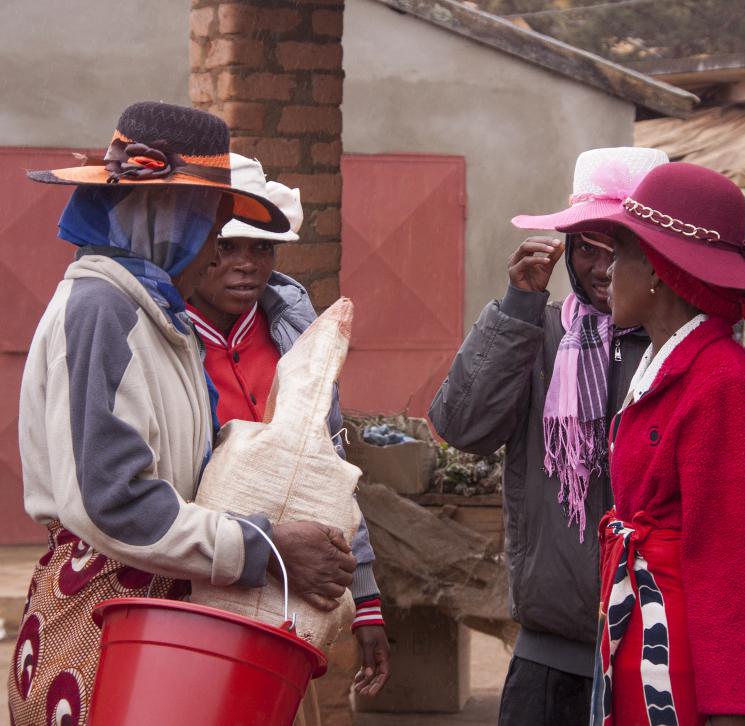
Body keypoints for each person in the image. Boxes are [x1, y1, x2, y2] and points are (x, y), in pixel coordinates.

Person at [8, 102, 356, 725]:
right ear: (168, 219)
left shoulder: (153, 312)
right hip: (108, 613)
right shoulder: (103, 310)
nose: (218, 258)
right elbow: (112, 503)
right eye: (211, 229)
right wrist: (263, 546)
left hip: (160, 612)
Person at [429, 147, 667, 726]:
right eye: (587, 248)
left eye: (623, 249)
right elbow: (464, 427)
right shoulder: (540, 335)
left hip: (654, 649)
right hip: (550, 647)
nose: (603, 269)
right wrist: (517, 307)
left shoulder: (679, 349)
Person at [554, 162, 745, 725]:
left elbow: (731, 560)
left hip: (684, 661)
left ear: (659, 270)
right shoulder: (668, 364)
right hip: (644, 636)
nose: (607, 271)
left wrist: (730, 711)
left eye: (622, 254)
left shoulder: (722, 385)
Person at [186, 153, 390, 701]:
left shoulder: (293, 334)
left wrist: (364, 600)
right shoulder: (166, 341)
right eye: (226, 246)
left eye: (262, 247)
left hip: (286, 600)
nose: (246, 264)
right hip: (188, 584)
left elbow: (328, 470)